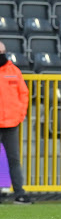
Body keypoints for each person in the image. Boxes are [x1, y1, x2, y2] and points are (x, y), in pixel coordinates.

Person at [0, 41, 32, 204]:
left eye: (2, 51)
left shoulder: (14, 71)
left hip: (11, 124)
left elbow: (24, 95)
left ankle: (20, 193)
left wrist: (19, 115)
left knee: (13, 160)